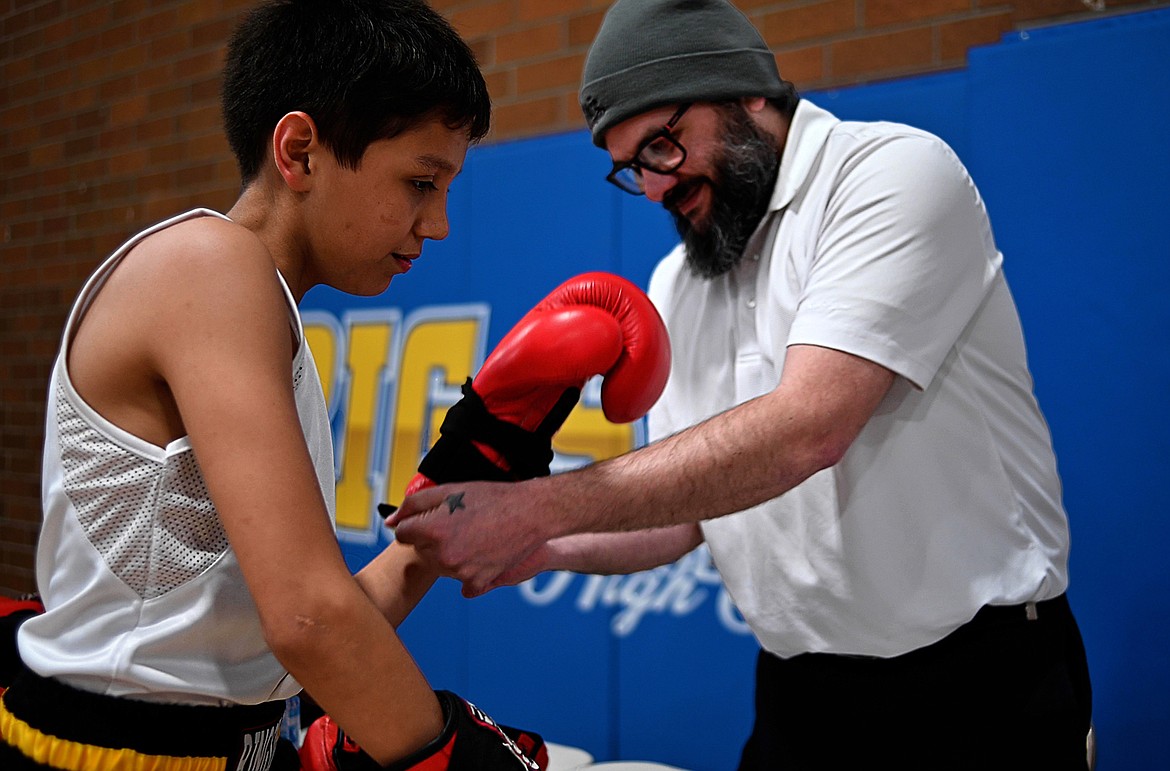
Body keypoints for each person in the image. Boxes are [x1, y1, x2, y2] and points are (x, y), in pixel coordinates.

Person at [387, 0, 1095, 768]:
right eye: (631, 167)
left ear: (746, 91)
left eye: (662, 144)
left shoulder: (888, 175)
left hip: (978, 683)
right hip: (803, 692)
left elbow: (808, 428)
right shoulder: (682, 278)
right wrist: (541, 542)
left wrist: (532, 506)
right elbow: (686, 515)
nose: (654, 188)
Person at [0, 2, 546, 770]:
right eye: (421, 181)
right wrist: (448, 754)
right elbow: (308, 620)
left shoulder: (258, 309)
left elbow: (285, 632)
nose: (440, 222)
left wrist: (466, 476)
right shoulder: (209, 266)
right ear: (299, 151)